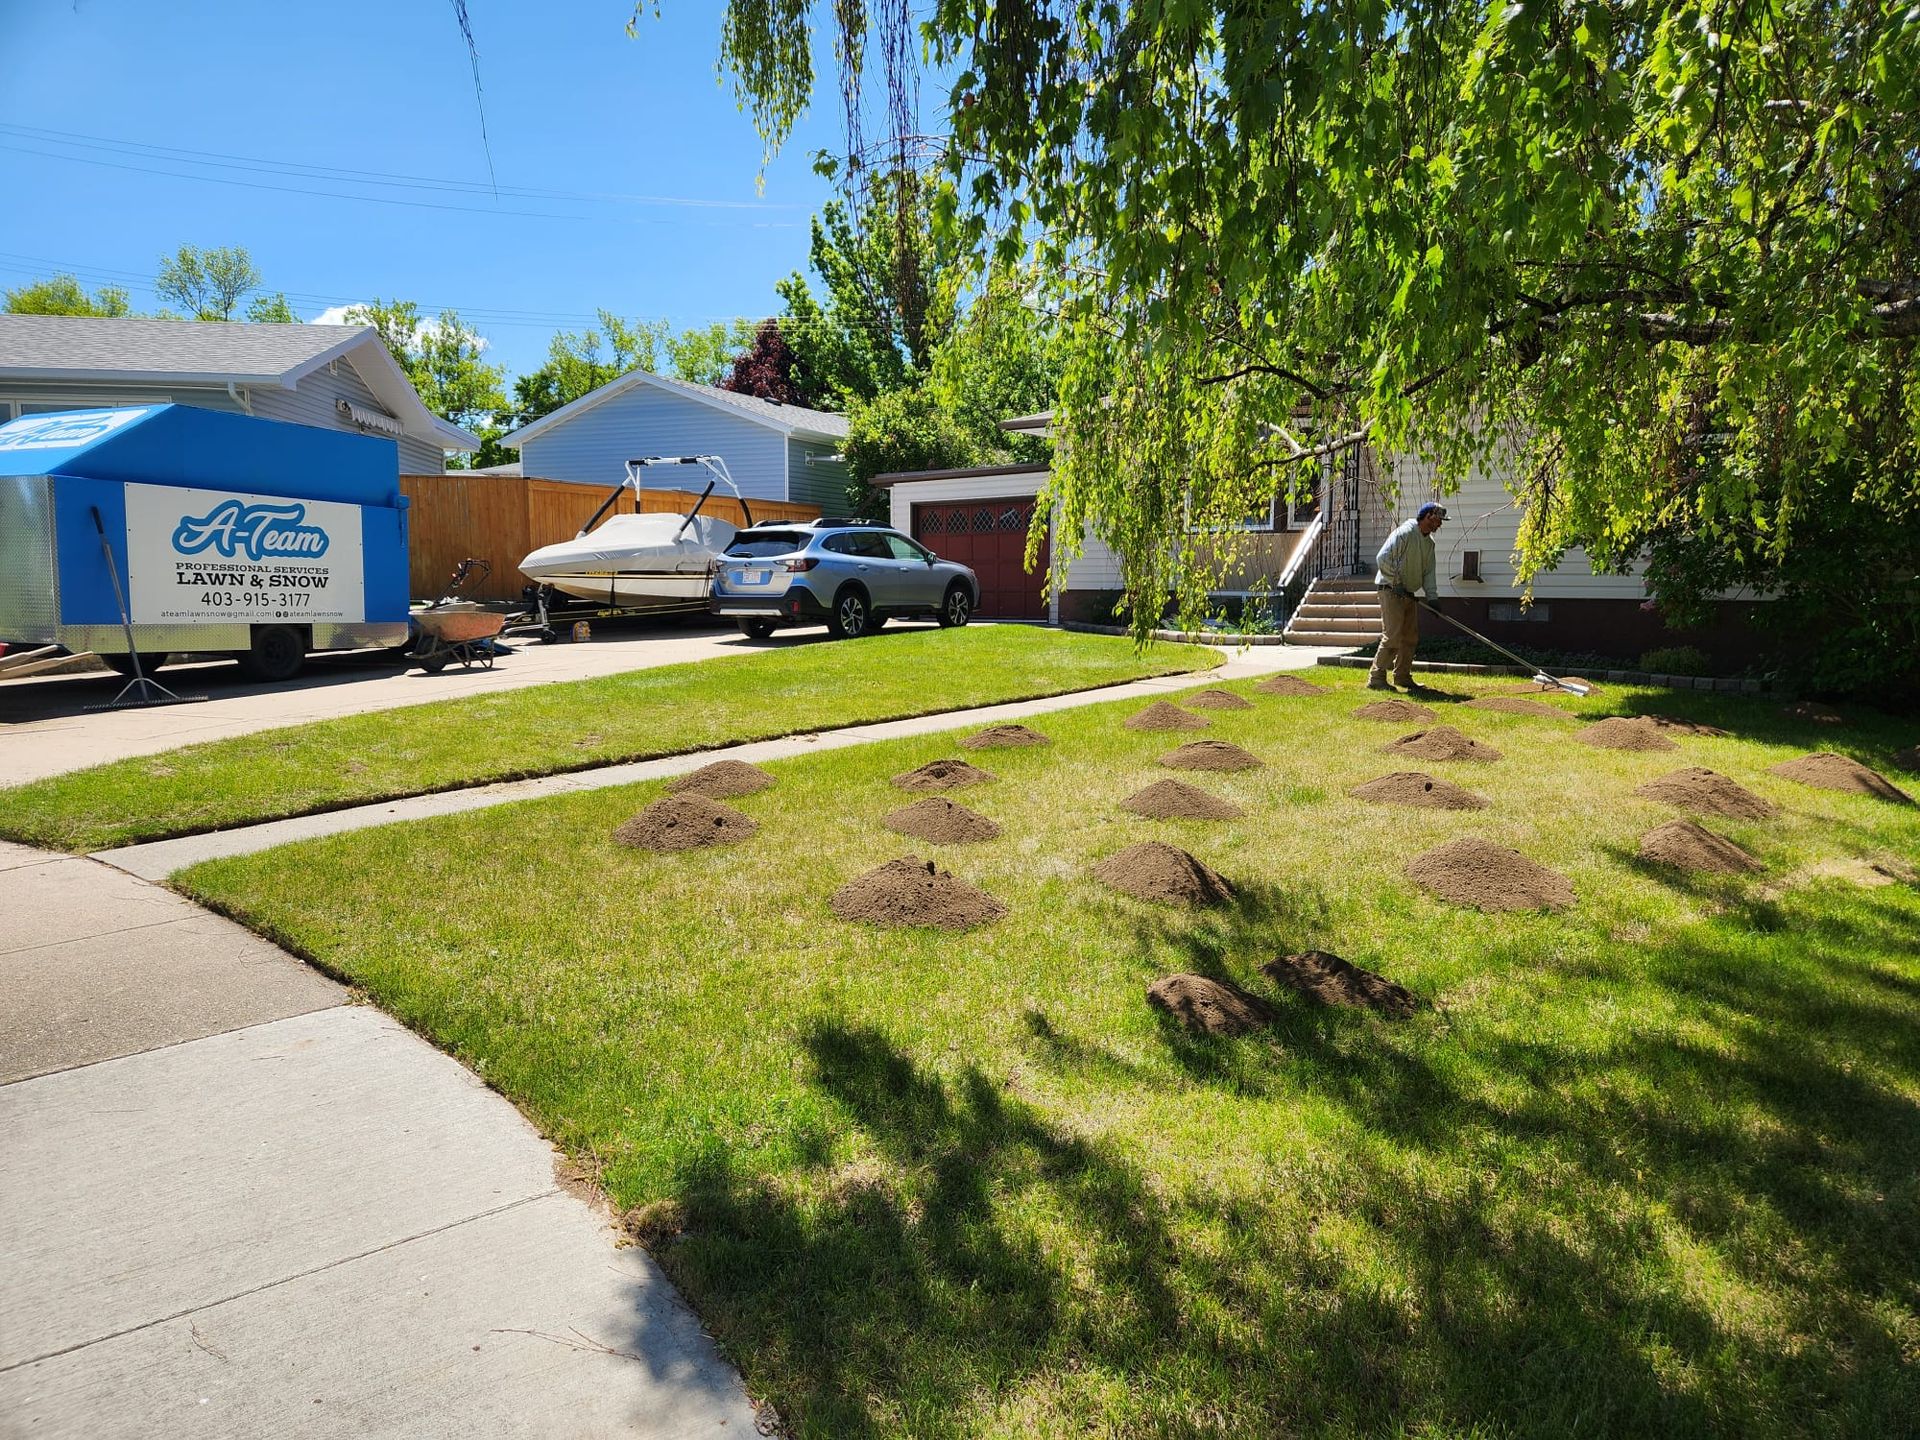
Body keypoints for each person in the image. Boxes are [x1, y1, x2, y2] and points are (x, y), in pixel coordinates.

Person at [1368, 501, 1447, 691]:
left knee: (1409, 637)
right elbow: (1382, 558)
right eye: (1438, 520)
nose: (1440, 525)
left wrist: (1433, 598)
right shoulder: (1405, 533)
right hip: (1390, 590)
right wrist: (1397, 583)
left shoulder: (1429, 544)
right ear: (1428, 517)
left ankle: (1402, 676)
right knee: (1393, 636)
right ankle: (1376, 678)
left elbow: (1429, 572)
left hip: (1408, 594)